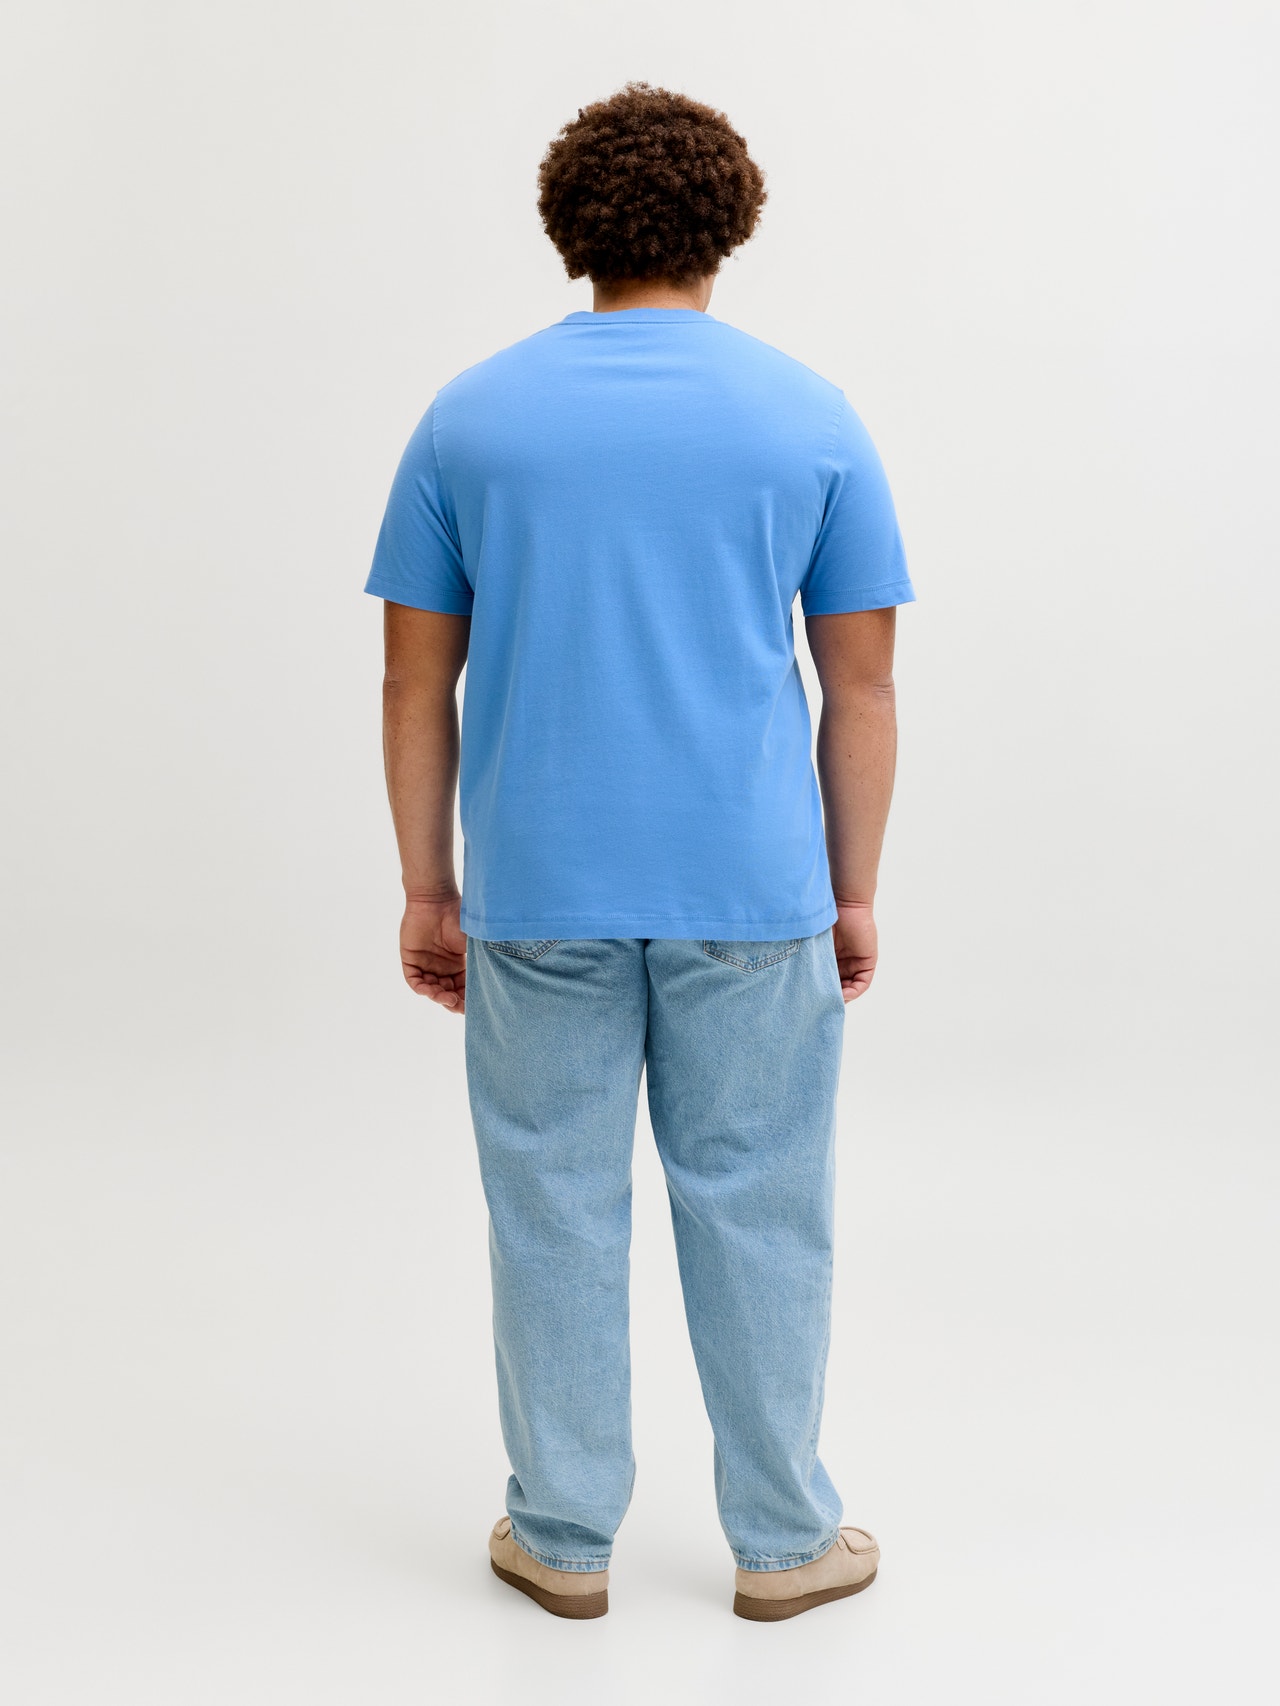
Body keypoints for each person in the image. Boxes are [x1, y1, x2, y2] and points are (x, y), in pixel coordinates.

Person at [365, 82, 914, 1622]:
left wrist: (427, 886)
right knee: (760, 1200)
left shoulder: (469, 416)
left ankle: (559, 1534)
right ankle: (785, 1540)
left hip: (538, 884)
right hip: (753, 884)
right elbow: (863, 687)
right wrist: (852, 888)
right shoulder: (810, 415)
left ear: (570, 228)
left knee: (551, 1200)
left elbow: (415, 680)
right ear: (730, 225)